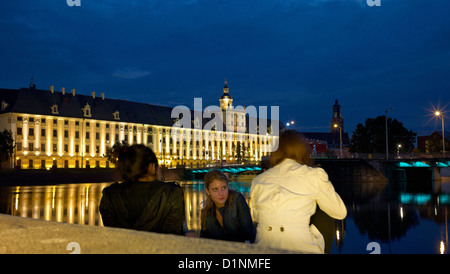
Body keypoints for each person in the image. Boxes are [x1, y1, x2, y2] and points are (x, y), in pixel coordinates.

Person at [250, 130, 347, 253]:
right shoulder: (313, 175)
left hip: (263, 248)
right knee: (325, 208)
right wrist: (323, 185)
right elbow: (340, 212)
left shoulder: (258, 180)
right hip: (301, 248)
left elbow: (257, 215)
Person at [99, 144, 185, 235]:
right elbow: (173, 235)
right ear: (152, 167)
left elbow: (113, 233)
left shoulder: (109, 195)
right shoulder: (172, 193)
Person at [200, 169, 255, 243]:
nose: (221, 193)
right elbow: (204, 240)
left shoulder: (237, 199)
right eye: (215, 189)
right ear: (208, 191)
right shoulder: (206, 212)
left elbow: (248, 233)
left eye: (223, 188)